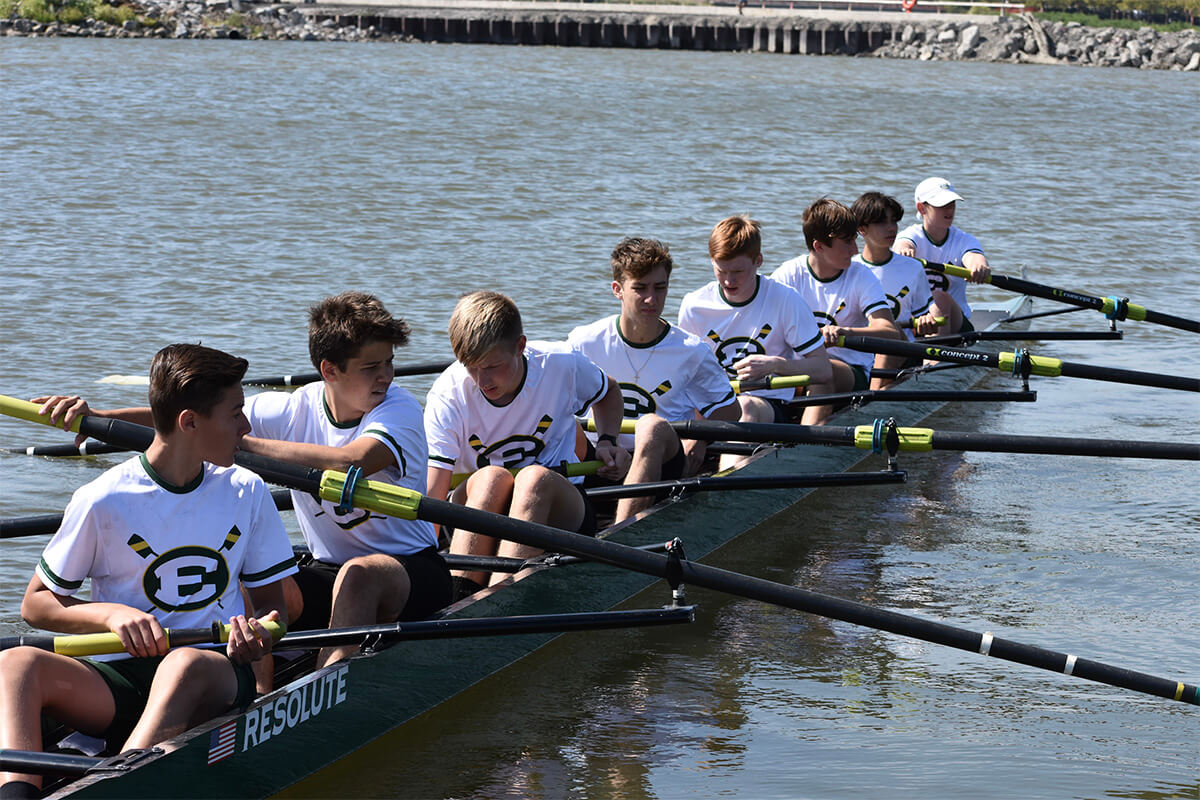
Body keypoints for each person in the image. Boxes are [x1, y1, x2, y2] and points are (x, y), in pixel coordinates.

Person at [35, 292, 450, 670]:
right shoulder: (293, 408)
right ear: (329, 371)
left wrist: (243, 443)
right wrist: (98, 420)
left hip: (412, 570)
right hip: (328, 569)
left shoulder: (399, 409)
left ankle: (326, 683)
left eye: (389, 363)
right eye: (372, 367)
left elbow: (349, 461)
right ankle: (255, 677)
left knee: (358, 576)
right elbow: (194, 417)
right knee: (243, 583)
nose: (387, 376)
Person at [0, 344, 296, 800]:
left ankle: (114, 786)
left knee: (184, 663)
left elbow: (278, 606)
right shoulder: (102, 499)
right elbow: (36, 604)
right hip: (120, 678)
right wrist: (111, 616)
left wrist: (262, 630)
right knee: (16, 664)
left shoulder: (246, 489)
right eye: (235, 413)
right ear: (189, 422)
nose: (247, 426)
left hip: (213, 670)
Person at [424, 291, 629, 592]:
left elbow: (609, 391)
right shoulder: (447, 393)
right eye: (471, 366)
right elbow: (434, 491)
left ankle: (497, 600)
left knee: (532, 479)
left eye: (492, 366)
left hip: (560, 507)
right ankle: (462, 598)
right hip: (479, 509)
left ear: (520, 346)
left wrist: (608, 439)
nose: (482, 381)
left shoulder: (561, 364)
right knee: (492, 478)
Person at [566, 237, 740, 521]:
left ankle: (623, 536)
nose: (652, 299)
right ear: (617, 290)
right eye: (640, 288)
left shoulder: (692, 350)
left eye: (660, 288)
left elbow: (731, 413)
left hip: (663, 461)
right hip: (598, 459)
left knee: (651, 426)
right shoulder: (583, 342)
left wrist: (702, 439)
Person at [678, 216, 834, 431]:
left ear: (758, 261)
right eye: (721, 271)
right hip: (712, 404)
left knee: (746, 406)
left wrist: (774, 365)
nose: (728, 281)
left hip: (767, 402)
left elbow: (823, 370)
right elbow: (683, 375)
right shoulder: (693, 305)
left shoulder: (785, 299)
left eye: (738, 272)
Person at [770, 198, 904, 422]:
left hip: (848, 370)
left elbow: (889, 330)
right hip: (796, 368)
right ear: (819, 246)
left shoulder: (860, 275)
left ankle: (807, 444)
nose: (855, 250)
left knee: (823, 373)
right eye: (847, 243)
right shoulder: (788, 274)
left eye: (854, 240)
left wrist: (845, 332)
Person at [850, 192, 943, 387]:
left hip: (901, 351)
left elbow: (927, 314)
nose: (892, 228)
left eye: (894, 221)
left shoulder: (912, 268)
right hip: (857, 352)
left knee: (890, 332)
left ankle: (873, 397)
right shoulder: (849, 269)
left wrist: (928, 320)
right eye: (882, 223)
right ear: (861, 229)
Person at [893, 176, 992, 333]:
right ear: (921, 208)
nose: (949, 210)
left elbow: (973, 256)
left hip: (956, 325)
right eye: (942, 205)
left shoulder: (964, 240)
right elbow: (903, 244)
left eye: (951, 204)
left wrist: (978, 267)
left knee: (939, 298)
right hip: (916, 322)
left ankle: (935, 356)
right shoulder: (912, 235)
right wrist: (903, 251)